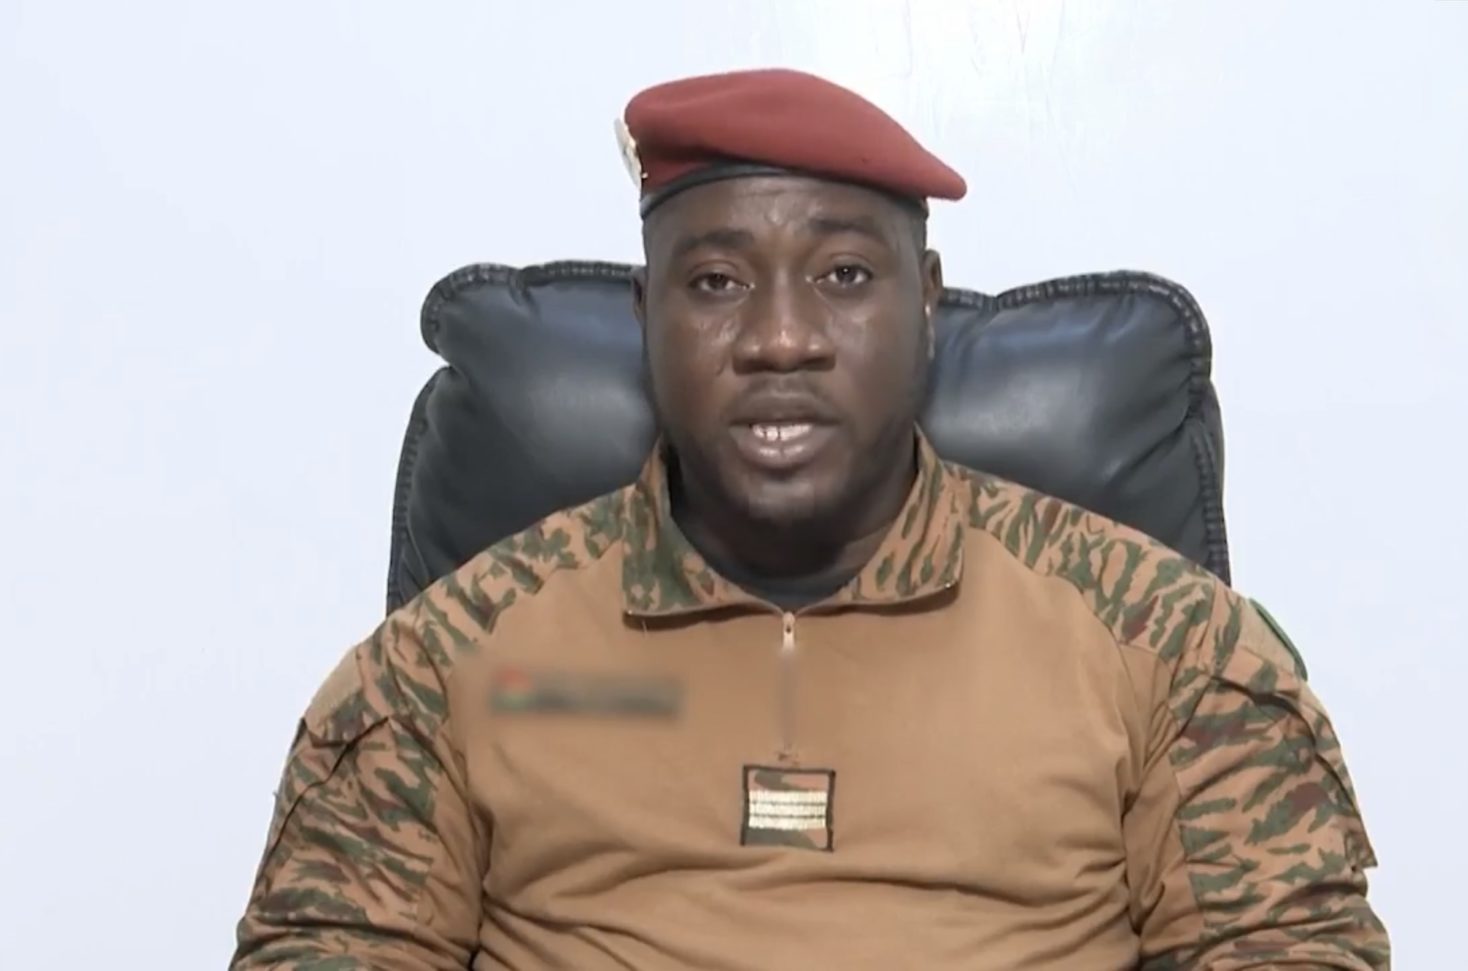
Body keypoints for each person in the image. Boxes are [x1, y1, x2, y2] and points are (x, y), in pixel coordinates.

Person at [230, 68, 1390, 969]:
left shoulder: (1166, 642)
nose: (781, 338)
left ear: (924, 303)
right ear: (646, 315)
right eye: (716, 283)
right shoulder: (450, 662)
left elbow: (1290, 945)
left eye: (843, 276)